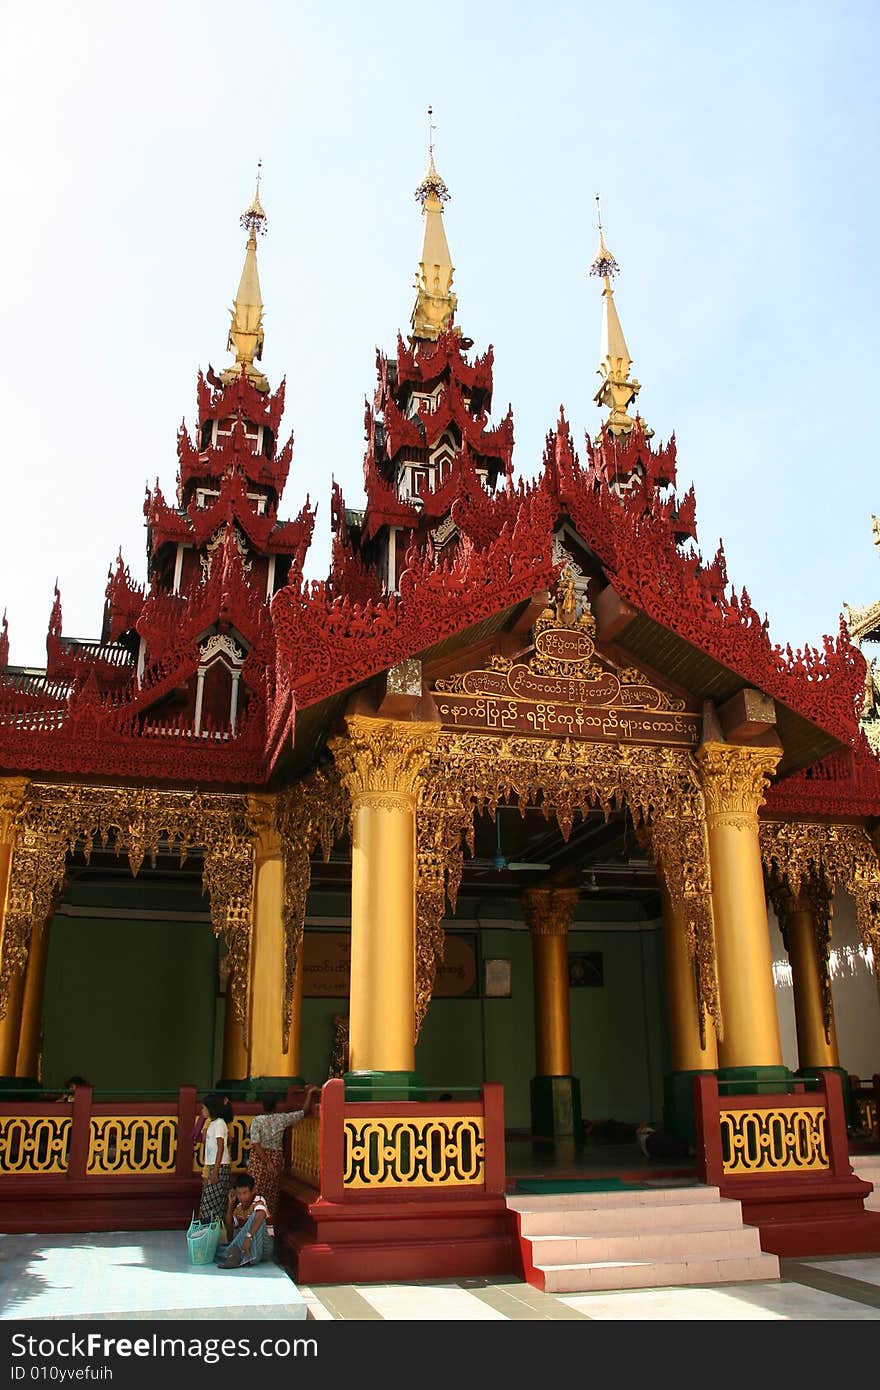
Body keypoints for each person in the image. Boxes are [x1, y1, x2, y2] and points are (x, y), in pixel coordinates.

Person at [247, 1085, 319, 1229]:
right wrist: (310, 1095)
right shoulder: (281, 1119)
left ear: (263, 1105)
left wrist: (266, 1162)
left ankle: (251, 1229)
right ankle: (268, 1228)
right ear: (276, 1105)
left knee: (255, 1192)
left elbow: (256, 1144)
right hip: (275, 1157)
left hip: (258, 1159)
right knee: (271, 1195)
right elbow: (303, 1112)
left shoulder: (257, 1121)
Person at [216, 1172, 272, 1269]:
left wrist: (248, 1237)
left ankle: (232, 1255)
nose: (241, 1197)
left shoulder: (259, 1200)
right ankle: (235, 1255)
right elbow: (230, 1233)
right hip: (252, 1248)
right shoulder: (239, 1208)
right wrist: (230, 1205)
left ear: (253, 1190)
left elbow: (261, 1214)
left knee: (256, 1215)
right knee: (217, 1248)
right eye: (239, 1194)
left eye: (245, 1193)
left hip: (265, 1248)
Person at [198, 1093, 231, 1222]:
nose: (202, 1111)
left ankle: (212, 1232)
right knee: (210, 1203)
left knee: (210, 1204)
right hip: (214, 1165)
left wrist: (215, 1172)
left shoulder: (219, 1124)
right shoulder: (212, 1124)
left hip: (220, 1166)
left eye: (204, 1108)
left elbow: (220, 1147)